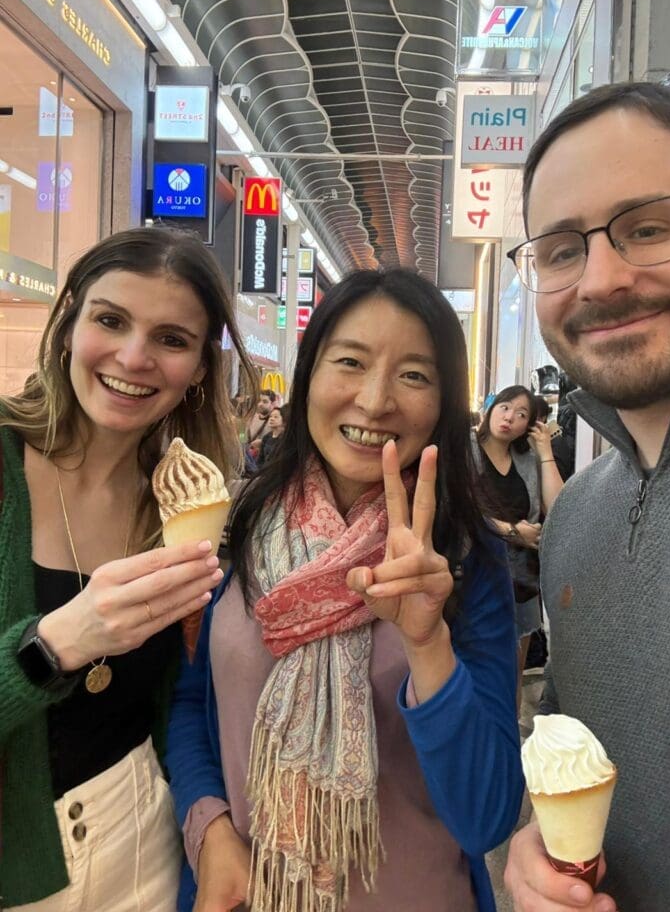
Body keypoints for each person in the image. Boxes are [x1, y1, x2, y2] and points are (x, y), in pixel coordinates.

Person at [167, 268, 524, 912]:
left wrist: (428, 642)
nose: (375, 399)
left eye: (414, 374)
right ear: (309, 377)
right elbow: (190, 703)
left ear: (445, 400)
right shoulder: (242, 525)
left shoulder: (467, 557)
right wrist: (209, 824)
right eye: (350, 362)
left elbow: (487, 816)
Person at [504, 81, 670, 911]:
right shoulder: (576, 517)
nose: (603, 280)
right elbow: (571, 739)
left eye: (648, 228)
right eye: (559, 249)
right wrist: (534, 849)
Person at [0, 227, 256, 910]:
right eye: (110, 320)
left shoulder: (183, 506)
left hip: (142, 845)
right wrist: (50, 648)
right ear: (69, 325)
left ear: (201, 367)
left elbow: (175, 703)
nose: (134, 357)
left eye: (172, 340)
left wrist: (211, 823)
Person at [474, 387, 563, 710]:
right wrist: (513, 531)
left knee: (512, 674)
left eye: (521, 414)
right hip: (475, 575)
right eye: (505, 407)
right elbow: (456, 510)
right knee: (477, 671)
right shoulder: (466, 448)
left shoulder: (525, 457)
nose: (510, 417)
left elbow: (558, 505)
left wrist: (544, 450)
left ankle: (507, 746)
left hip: (522, 581)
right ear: (491, 408)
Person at [254, 403, 287, 470]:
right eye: (271, 416)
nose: (271, 419)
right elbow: (260, 459)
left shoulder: (284, 438)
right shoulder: (267, 437)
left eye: (276, 417)